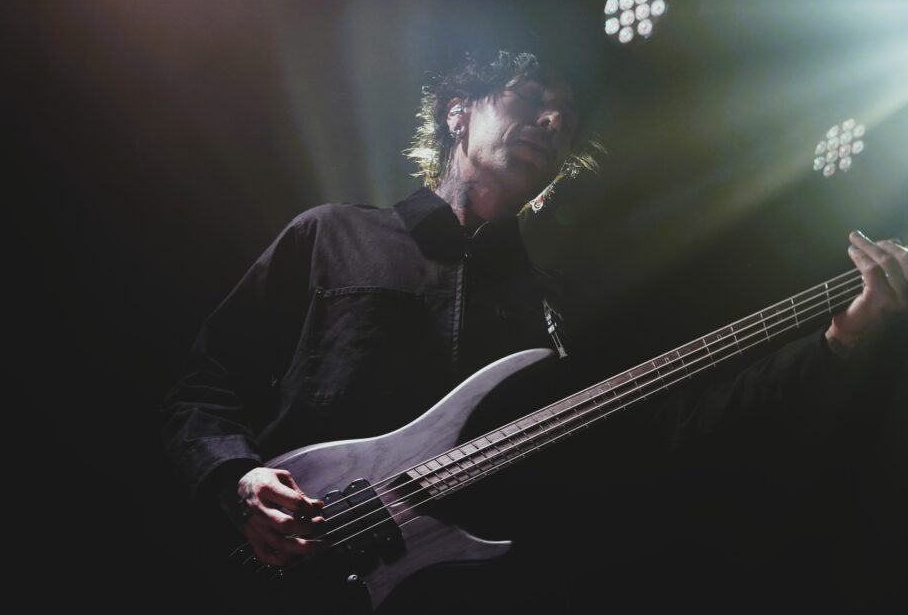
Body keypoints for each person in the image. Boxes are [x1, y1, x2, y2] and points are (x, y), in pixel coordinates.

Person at [161, 50, 907, 611]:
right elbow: (206, 384)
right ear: (458, 112)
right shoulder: (330, 235)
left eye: (566, 118)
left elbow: (669, 428)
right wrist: (237, 480)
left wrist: (837, 341)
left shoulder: (557, 309)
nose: (553, 121)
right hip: (274, 567)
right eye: (529, 99)